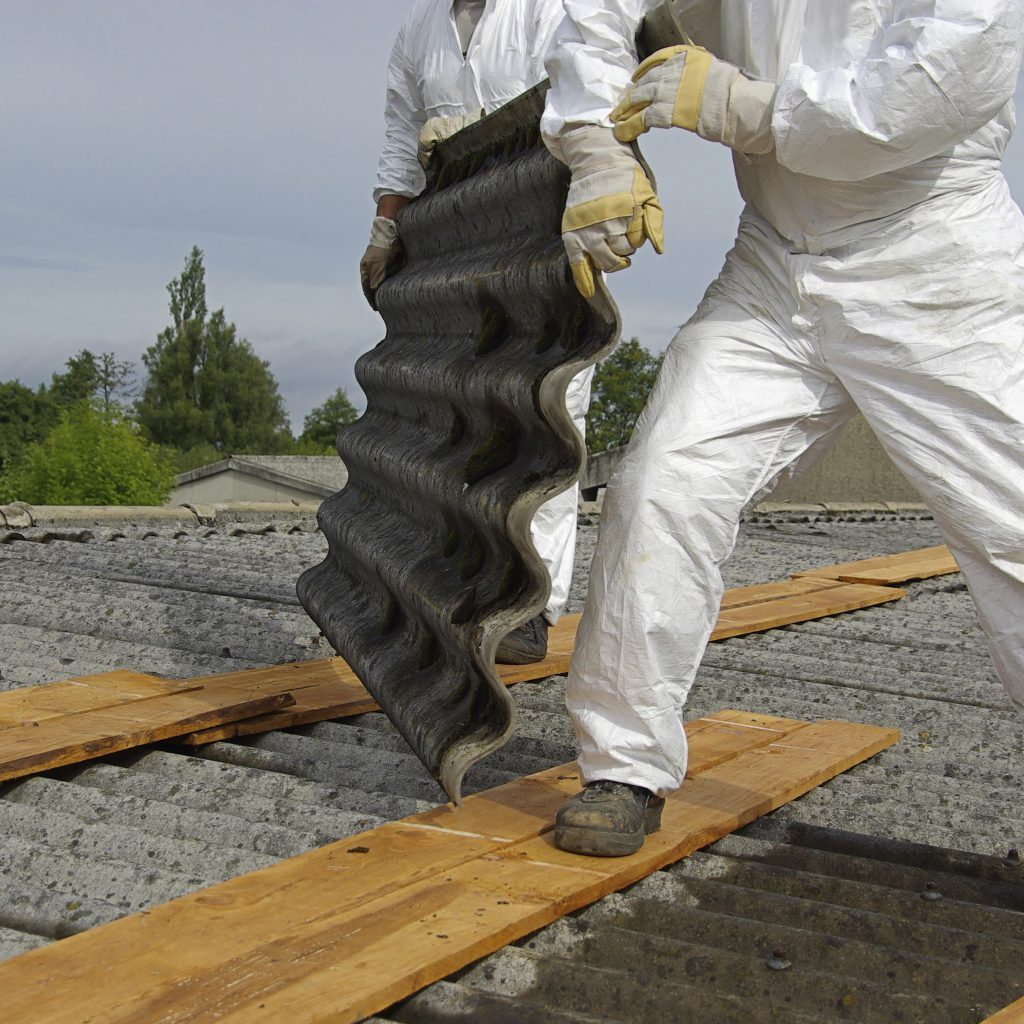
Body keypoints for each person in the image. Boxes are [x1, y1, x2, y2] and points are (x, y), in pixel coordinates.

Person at [540, 0, 1024, 856]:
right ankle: (624, 766)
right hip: (774, 260)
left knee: (1013, 530)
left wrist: (741, 108)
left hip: (935, 262)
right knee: (662, 484)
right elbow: (598, 9)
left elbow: (924, 93)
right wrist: (595, 149)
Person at [360, 0, 605, 663]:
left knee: (548, 414)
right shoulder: (420, 29)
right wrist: (388, 224)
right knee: (462, 414)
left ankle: (532, 608)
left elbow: (584, 93)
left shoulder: (544, 9)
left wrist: (484, 134)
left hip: (548, 225)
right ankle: (464, 584)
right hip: (461, 239)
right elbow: (400, 129)